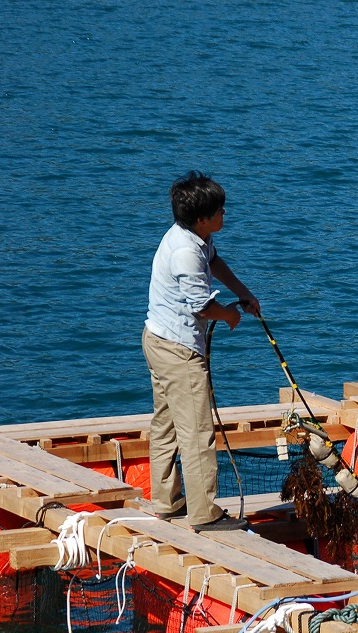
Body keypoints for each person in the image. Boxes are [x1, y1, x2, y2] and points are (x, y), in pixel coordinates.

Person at [142, 172, 261, 531]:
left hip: (157, 339)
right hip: (177, 350)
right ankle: (204, 513)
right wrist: (229, 315)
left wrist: (243, 292)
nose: (225, 213)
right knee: (196, 431)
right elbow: (202, 306)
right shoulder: (184, 252)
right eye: (219, 210)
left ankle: (167, 502)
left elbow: (215, 262)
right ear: (201, 218)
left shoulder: (197, 239)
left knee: (166, 424)